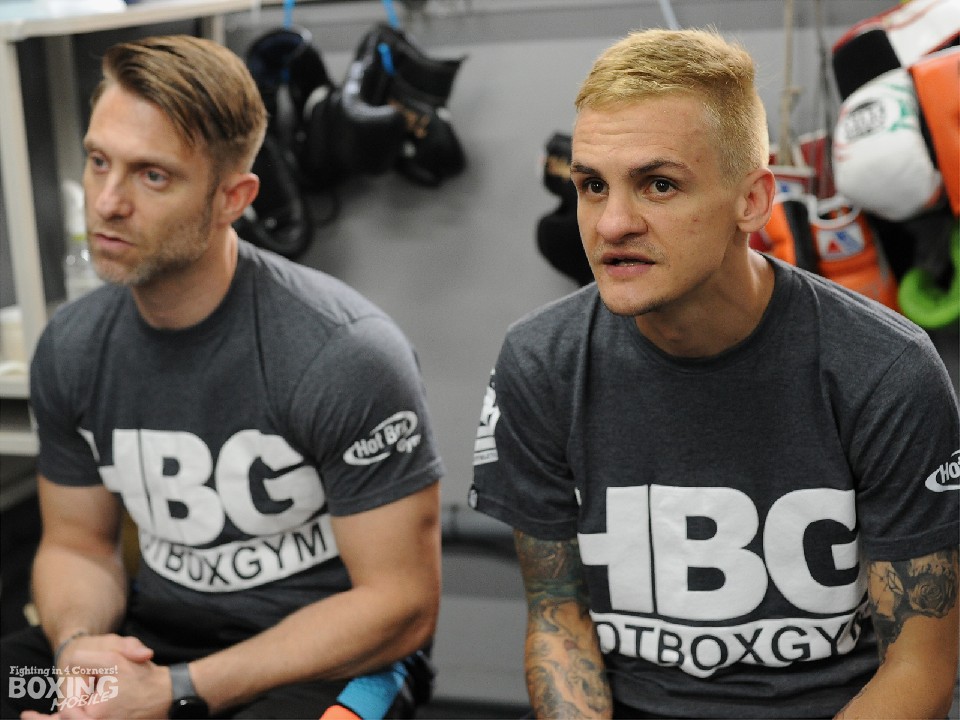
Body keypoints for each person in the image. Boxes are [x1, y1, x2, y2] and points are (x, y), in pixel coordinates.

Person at [469, 27, 959, 719]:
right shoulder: (540, 361)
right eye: (592, 185)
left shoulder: (884, 371)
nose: (611, 224)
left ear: (752, 200)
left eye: (658, 184)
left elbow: (920, 667)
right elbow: (557, 617)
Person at [1, 34, 443, 719]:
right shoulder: (72, 346)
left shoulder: (343, 353)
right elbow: (76, 546)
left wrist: (174, 692)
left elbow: (401, 605)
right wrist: (81, 653)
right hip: (154, 646)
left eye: (152, 176)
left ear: (232, 198)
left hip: (321, 662)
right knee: (15, 684)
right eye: (98, 161)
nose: (107, 202)